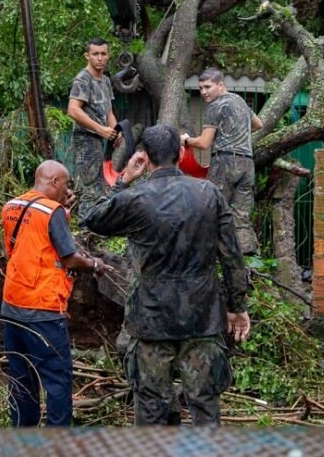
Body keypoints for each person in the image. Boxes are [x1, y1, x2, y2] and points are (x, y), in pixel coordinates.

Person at [84, 125, 250, 426]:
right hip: (202, 318)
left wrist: (123, 180)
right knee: (205, 409)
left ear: (144, 158)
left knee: (150, 411)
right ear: (182, 152)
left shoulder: (137, 198)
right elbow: (232, 256)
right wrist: (237, 307)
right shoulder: (209, 193)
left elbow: (94, 218)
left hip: (150, 321)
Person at [1, 160, 112, 427]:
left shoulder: (11, 207)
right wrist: (95, 265)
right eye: (66, 184)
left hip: (11, 307)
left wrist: (62, 211)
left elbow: (25, 246)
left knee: (21, 380)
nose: (67, 189)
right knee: (57, 381)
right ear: (54, 182)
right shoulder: (52, 212)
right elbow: (70, 258)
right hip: (44, 310)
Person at [181, 68, 263, 255]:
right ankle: (247, 259)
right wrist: (237, 134)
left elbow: (203, 143)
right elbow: (258, 124)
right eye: (201, 88)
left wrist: (185, 140)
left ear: (221, 85)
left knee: (211, 209)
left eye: (208, 87)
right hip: (247, 163)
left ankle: (204, 254)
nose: (203, 92)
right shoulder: (240, 101)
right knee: (241, 216)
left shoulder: (214, 107)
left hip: (225, 161)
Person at [67, 38, 119, 219]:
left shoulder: (104, 80)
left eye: (103, 54)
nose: (99, 58)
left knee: (99, 186)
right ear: (87, 56)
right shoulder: (83, 79)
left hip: (99, 140)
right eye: (95, 54)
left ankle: (94, 230)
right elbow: (73, 110)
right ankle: (84, 231)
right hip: (85, 139)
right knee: (90, 189)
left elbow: (109, 111)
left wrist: (115, 132)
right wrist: (100, 129)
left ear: (108, 56)